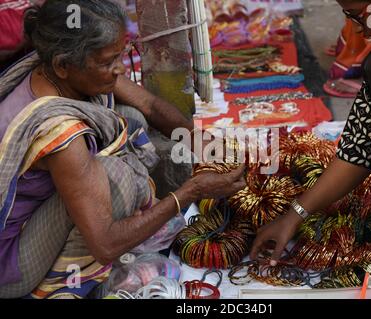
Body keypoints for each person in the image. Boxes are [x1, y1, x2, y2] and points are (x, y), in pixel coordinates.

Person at [0, 0, 246, 298]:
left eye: (120, 56)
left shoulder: (65, 71)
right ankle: (65, 288)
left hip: (34, 213)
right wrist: (189, 192)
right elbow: (105, 246)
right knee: (116, 176)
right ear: (63, 66)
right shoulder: (59, 132)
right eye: (107, 62)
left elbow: (149, 104)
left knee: (131, 118)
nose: (119, 70)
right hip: (11, 267)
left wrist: (206, 146)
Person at [251, 0, 371, 296]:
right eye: (347, 16)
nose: (355, 27)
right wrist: (294, 216)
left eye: (358, 15)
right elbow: (357, 148)